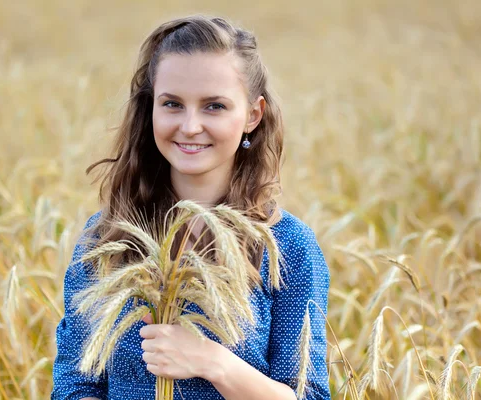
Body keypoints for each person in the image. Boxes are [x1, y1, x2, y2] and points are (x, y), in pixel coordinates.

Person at [51, 14, 331, 400]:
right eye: (172, 104)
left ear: (253, 115)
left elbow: (309, 395)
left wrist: (212, 361)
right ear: (151, 108)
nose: (190, 125)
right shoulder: (108, 236)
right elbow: (73, 383)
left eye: (214, 106)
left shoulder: (287, 247)